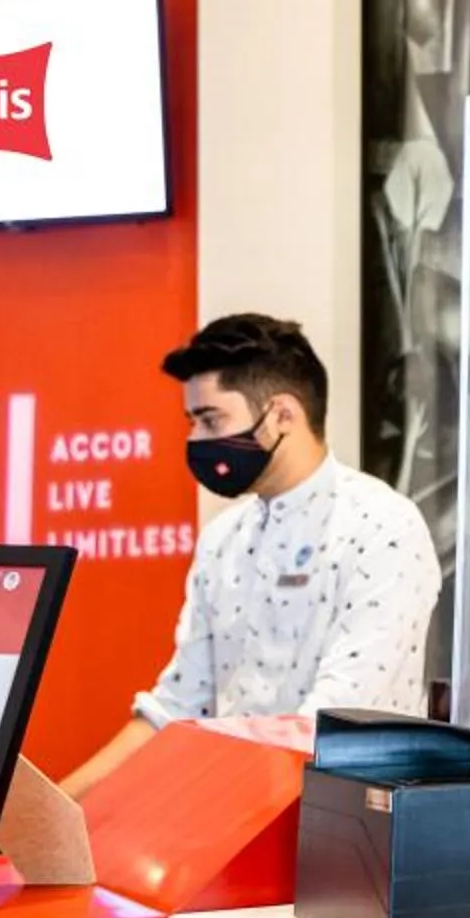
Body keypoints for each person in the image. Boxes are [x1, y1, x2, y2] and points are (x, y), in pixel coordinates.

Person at [62, 314, 443, 797]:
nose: (196, 440)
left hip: (347, 832)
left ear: (283, 414)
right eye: (193, 422)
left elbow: (335, 720)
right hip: (231, 824)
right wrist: (57, 807)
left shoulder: (382, 525)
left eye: (211, 419)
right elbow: (178, 708)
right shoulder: (223, 539)